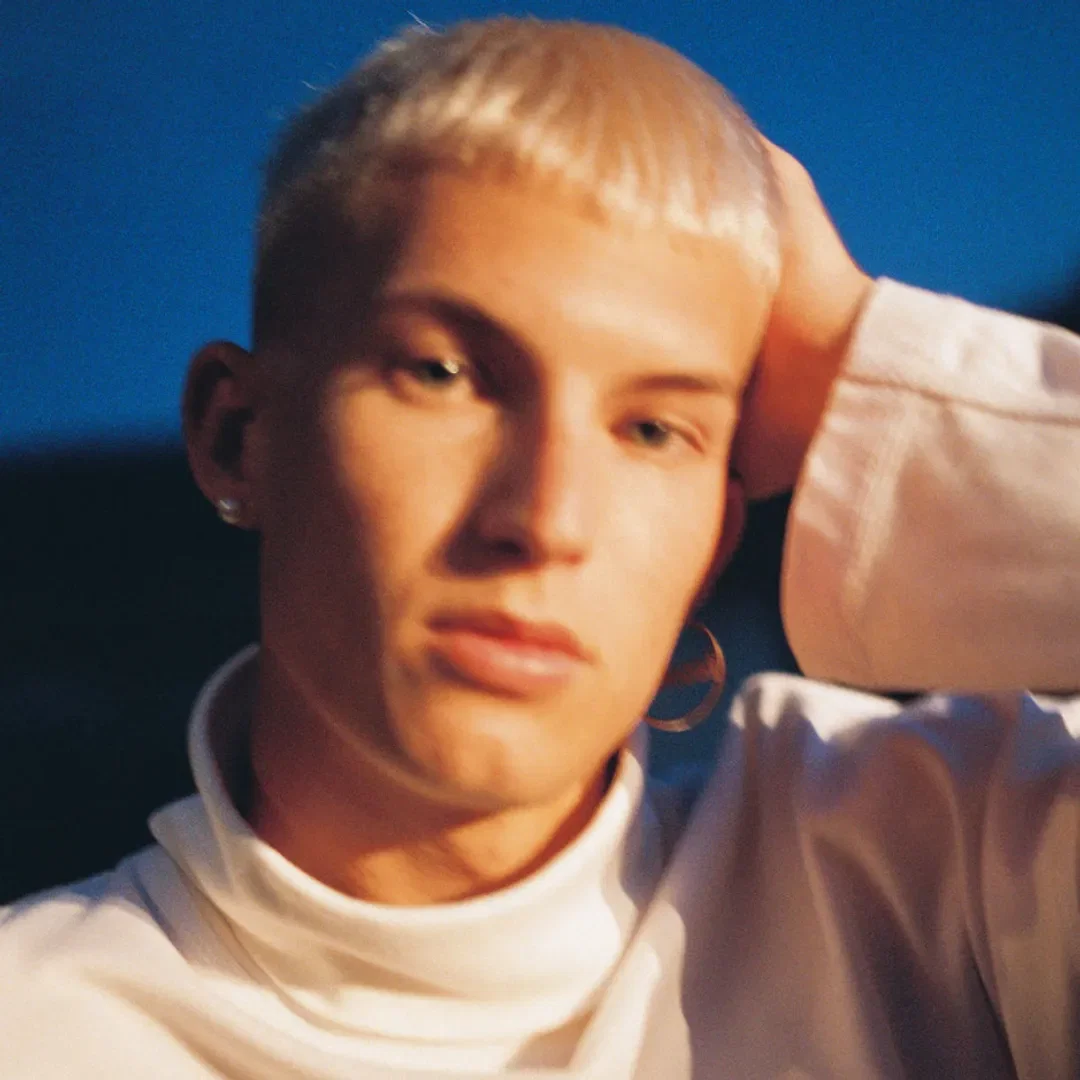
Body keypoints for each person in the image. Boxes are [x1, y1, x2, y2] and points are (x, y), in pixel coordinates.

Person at [1, 16, 1078, 1079]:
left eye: (652, 429)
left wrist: (854, 345)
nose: (547, 518)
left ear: (714, 542)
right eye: (444, 374)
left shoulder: (943, 869)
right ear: (239, 434)